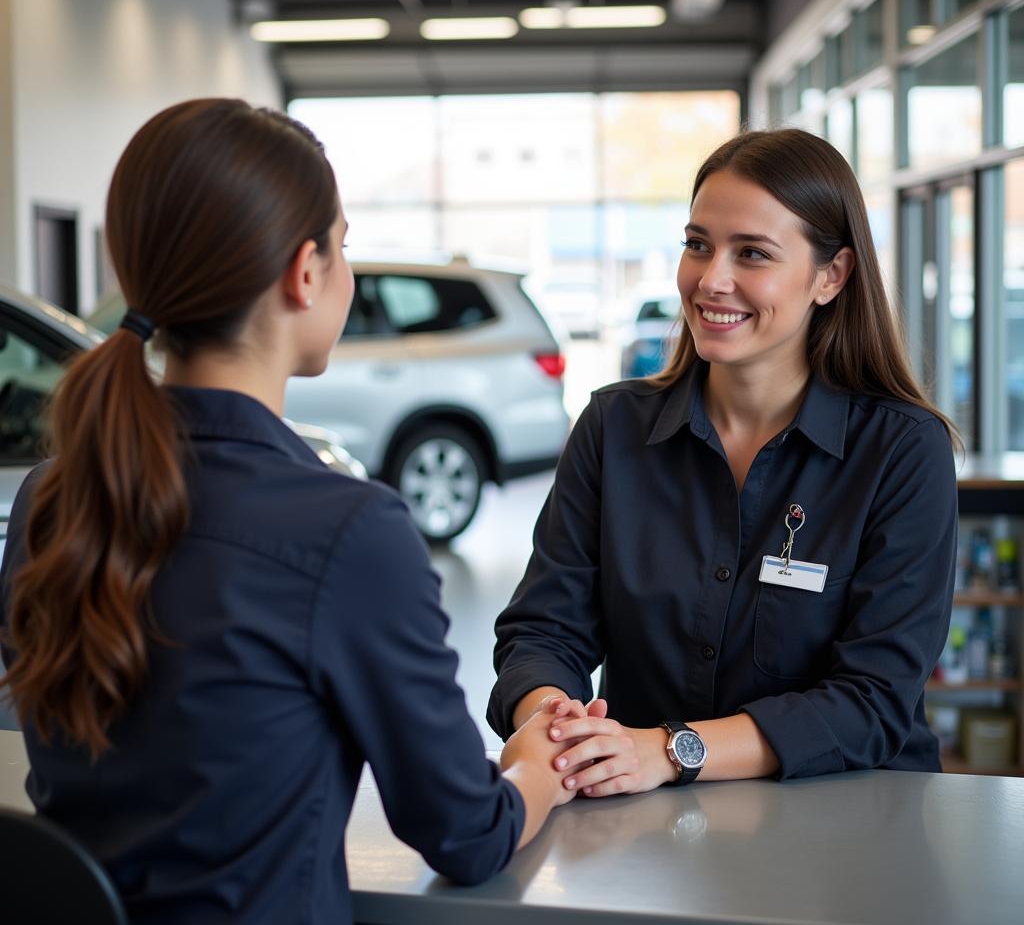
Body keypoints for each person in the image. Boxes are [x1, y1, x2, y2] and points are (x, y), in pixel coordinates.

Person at [0, 99, 574, 924]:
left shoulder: (48, 499)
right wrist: (537, 771)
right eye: (344, 245)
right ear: (305, 273)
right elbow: (466, 834)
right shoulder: (349, 532)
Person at [488, 128, 959, 795]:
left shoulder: (902, 451)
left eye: (753, 254)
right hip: (643, 832)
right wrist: (555, 722)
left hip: (847, 833)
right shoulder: (613, 429)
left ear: (831, 276)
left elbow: (874, 698)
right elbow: (544, 628)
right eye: (697, 245)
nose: (712, 280)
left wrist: (671, 750)